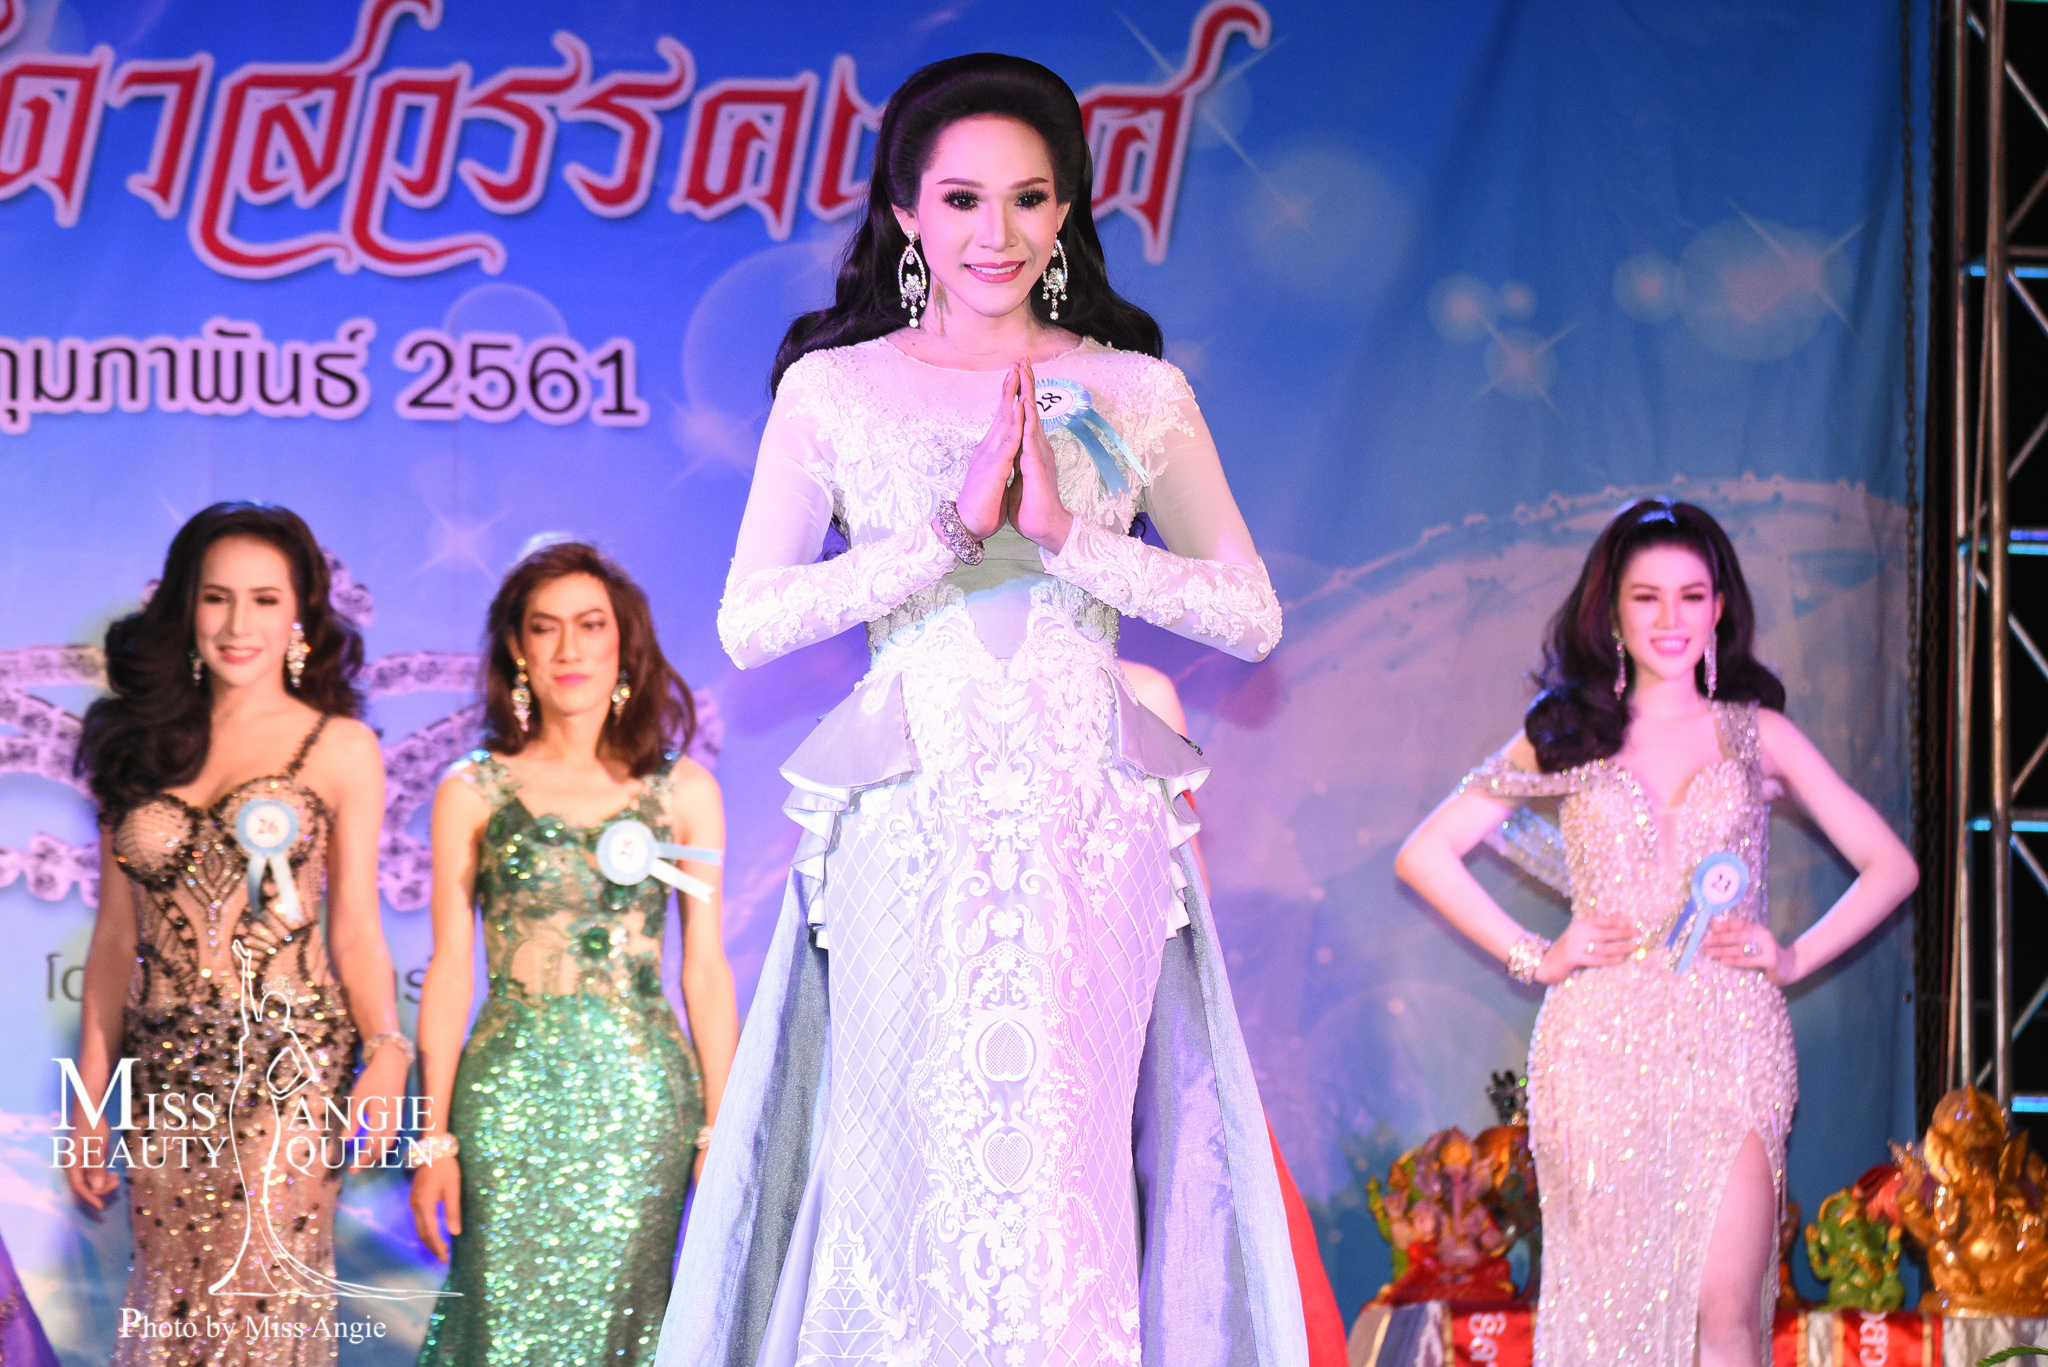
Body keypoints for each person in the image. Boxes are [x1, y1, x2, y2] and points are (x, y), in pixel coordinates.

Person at [659, 51, 1305, 1367]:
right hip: (909, 806)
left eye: (1026, 198)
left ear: (1065, 209)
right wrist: (946, 533)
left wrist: (1067, 535)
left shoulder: (1130, 390)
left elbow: (1248, 612)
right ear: (905, 212)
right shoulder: (835, 388)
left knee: (1068, 1147)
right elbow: (748, 619)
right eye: (960, 200)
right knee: (899, 1140)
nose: (994, 233)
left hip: (1087, 808)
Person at [1394, 499, 1917, 1367]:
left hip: (1735, 1040)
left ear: (1720, 608)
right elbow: (1425, 853)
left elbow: (1891, 866)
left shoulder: (1759, 734)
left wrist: (1791, 956)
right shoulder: (1566, 735)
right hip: (1598, 1048)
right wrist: (1538, 955)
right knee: (1614, 1316)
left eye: (1691, 595)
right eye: (1647, 597)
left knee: (1728, 1310)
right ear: (1611, 612)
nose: (1670, 618)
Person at [70, 502, 409, 1365]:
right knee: (176, 1306)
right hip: (165, 1075)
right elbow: (113, 943)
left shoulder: (340, 746)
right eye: (216, 597)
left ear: (301, 615)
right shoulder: (134, 744)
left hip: (290, 1066)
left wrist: (388, 1047)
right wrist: (90, 1100)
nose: (236, 623)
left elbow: (356, 926)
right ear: (185, 607)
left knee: (259, 1299)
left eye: (264, 599)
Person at [410, 541, 736, 1366]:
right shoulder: (471, 789)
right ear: (516, 646)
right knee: (498, 1324)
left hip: (642, 1103)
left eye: (591, 625)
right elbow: (449, 970)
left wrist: (719, 1131)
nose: (569, 648)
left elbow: (704, 968)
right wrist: (433, 1137)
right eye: (545, 626)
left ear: (624, 640)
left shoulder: (685, 792)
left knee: (627, 1325)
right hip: (506, 1100)